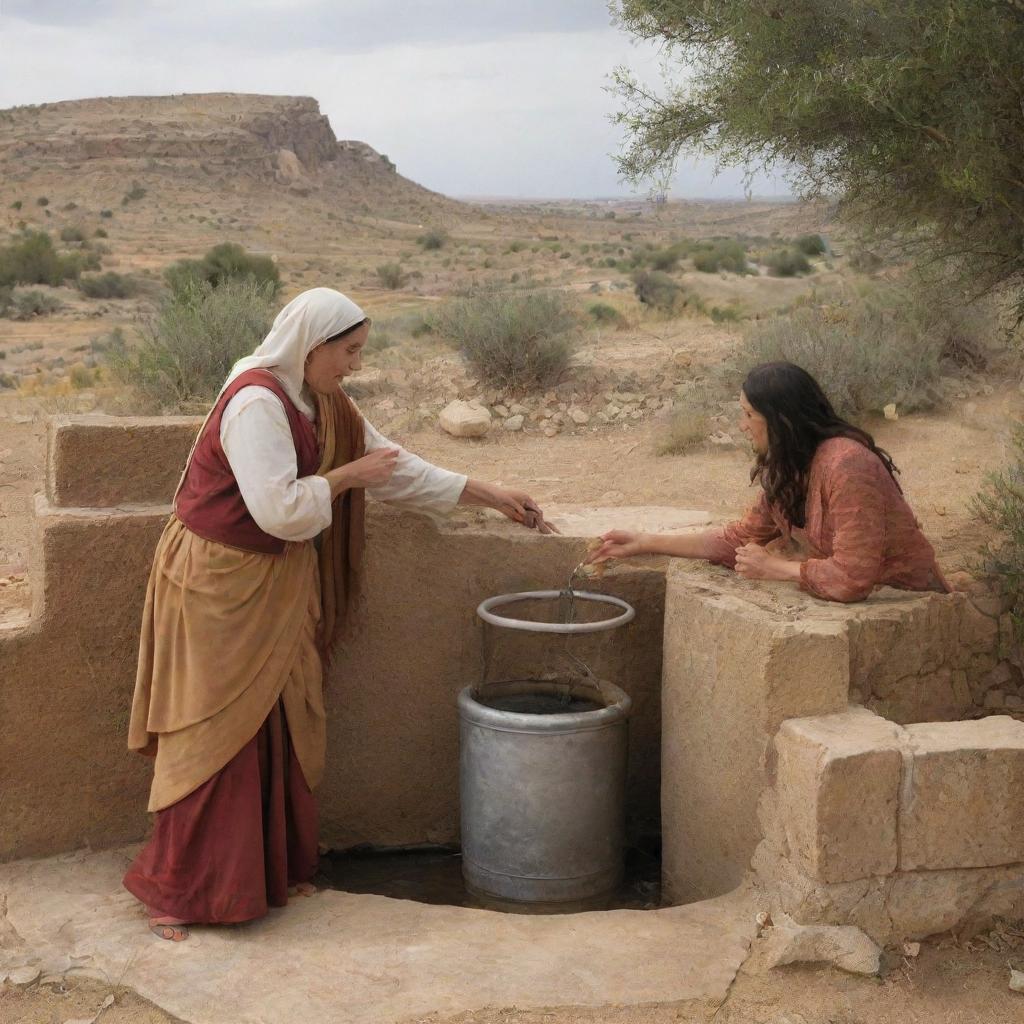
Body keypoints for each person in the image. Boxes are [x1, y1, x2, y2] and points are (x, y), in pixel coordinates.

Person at [123, 287, 556, 941]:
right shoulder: (257, 403)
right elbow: (279, 509)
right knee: (214, 734)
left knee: (283, 720)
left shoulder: (321, 401)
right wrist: (348, 477)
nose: (354, 365)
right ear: (313, 345)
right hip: (217, 585)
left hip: (277, 583)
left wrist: (490, 495)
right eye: (348, 352)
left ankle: (262, 874)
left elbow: (395, 467)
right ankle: (180, 891)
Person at [589, 361, 948, 603]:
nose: (743, 425)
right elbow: (739, 539)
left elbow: (854, 577)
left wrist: (777, 569)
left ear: (781, 420)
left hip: (910, 602)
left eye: (749, 415)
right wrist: (646, 541)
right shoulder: (792, 465)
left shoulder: (847, 465)